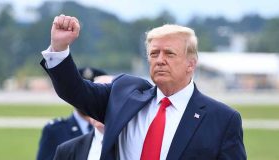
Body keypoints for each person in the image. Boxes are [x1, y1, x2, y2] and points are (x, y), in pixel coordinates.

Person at [40, 15, 246, 160]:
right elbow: (74, 90)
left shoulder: (222, 119)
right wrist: (59, 48)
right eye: (154, 54)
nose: (160, 60)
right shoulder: (123, 94)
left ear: (191, 63)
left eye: (170, 54)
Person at [37, 67, 106, 160]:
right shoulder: (55, 130)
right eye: (81, 92)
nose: (87, 98)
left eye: (91, 92)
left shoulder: (112, 129)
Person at [53, 75, 113, 160]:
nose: (101, 107)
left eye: (108, 100)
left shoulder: (134, 147)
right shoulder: (67, 151)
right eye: (95, 100)